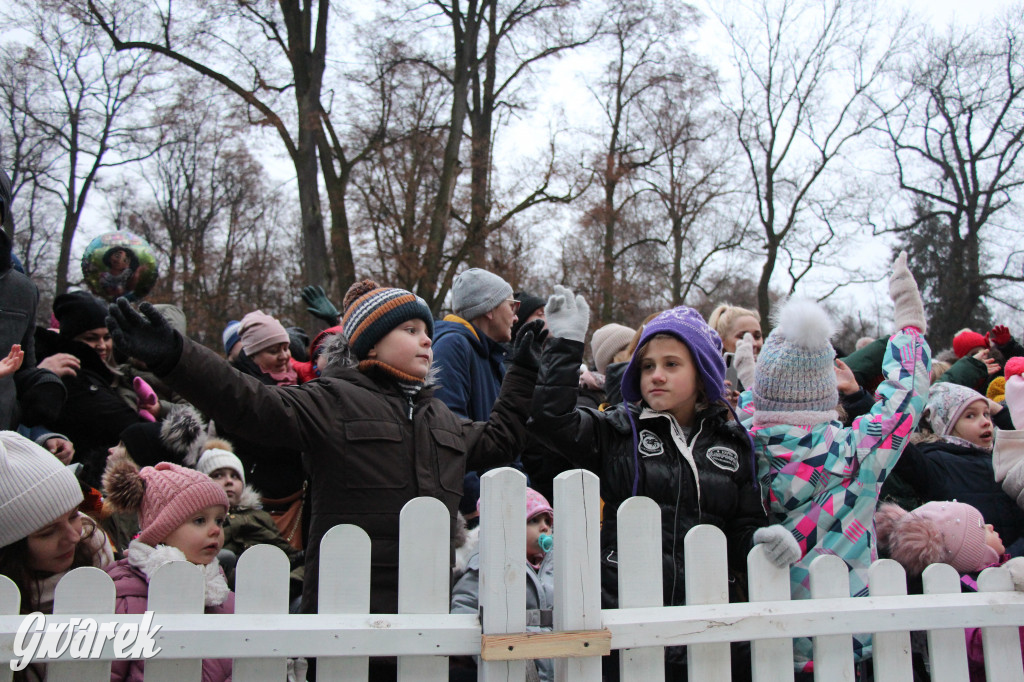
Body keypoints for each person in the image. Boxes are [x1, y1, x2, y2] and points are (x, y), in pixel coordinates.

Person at [105, 279, 543, 679]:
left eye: (425, 330)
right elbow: (247, 401)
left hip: (430, 625)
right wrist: (175, 356)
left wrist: (522, 372)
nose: (426, 339)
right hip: (344, 628)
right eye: (409, 329)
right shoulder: (331, 402)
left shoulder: (442, 419)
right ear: (370, 344)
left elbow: (501, 439)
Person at [531, 287, 782, 681]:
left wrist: (763, 543)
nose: (656, 375)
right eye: (647, 366)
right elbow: (550, 420)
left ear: (702, 372)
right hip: (626, 620)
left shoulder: (735, 443)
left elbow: (742, 526)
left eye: (671, 364)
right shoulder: (618, 429)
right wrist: (564, 347)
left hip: (710, 629)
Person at [738, 252, 931, 675]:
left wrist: (751, 383)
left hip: (766, 642)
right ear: (826, 389)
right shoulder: (857, 453)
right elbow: (904, 398)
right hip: (848, 638)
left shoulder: (742, 448)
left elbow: (759, 404)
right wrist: (909, 325)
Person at [102, 457, 234, 682]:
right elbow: (109, 672)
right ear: (161, 530)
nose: (215, 530)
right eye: (200, 520)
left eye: (219, 521)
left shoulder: (220, 593)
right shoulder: (127, 598)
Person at [0, 431, 115, 681]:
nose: (74, 536)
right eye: (47, 533)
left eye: (73, 515)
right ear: (9, 550)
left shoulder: (102, 556)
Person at [876, 500, 1024, 682]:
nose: (990, 526)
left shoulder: (1006, 573)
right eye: (981, 528)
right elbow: (979, 645)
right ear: (970, 550)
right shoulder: (961, 593)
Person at [41, 292, 157, 487]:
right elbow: (123, 423)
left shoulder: (113, 374)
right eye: (91, 338)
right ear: (72, 339)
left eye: (106, 337)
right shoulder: (73, 377)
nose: (102, 346)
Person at [451, 488, 556, 682]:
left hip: (558, 664)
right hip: (509, 665)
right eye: (533, 521)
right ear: (508, 527)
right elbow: (464, 606)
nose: (544, 528)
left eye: (547, 521)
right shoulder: (485, 566)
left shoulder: (555, 566)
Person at [195, 444, 304, 588]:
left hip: (276, 586)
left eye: (235, 476)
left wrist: (290, 581)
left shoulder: (258, 516)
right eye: (218, 475)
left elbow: (289, 555)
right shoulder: (198, 520)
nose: (229, 481)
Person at [432, 268, 518, 422]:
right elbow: (449, 430)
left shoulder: (489, 353)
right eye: (512, 306)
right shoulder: (453, 346)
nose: (516, 317)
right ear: (490, 308)